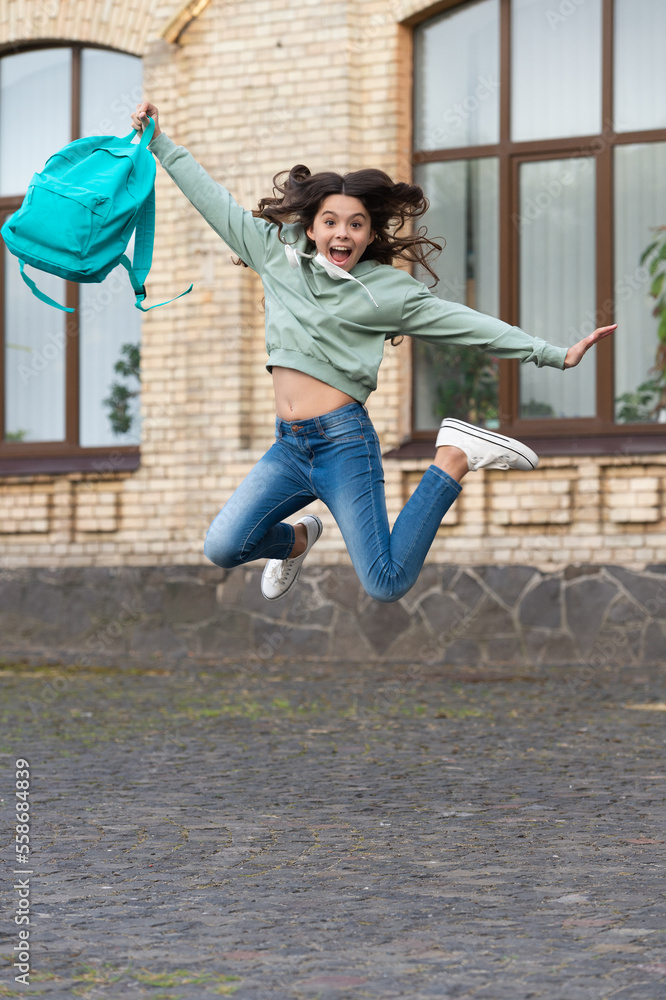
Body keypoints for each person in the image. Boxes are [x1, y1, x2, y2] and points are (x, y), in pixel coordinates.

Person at [131, 102, 615, 605]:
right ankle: (297, 540)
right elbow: (212, 200)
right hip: (290, 447)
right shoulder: (274, 254)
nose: (343, 233)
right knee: (223, 546)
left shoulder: (386, 291)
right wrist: (160, 142)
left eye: (357, 224)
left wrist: (552, 353)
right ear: (312, 227)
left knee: (385, 582)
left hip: (344, 445)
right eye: (331, 222)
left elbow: (465, 325)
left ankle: (452, 458)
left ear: (369, 234)